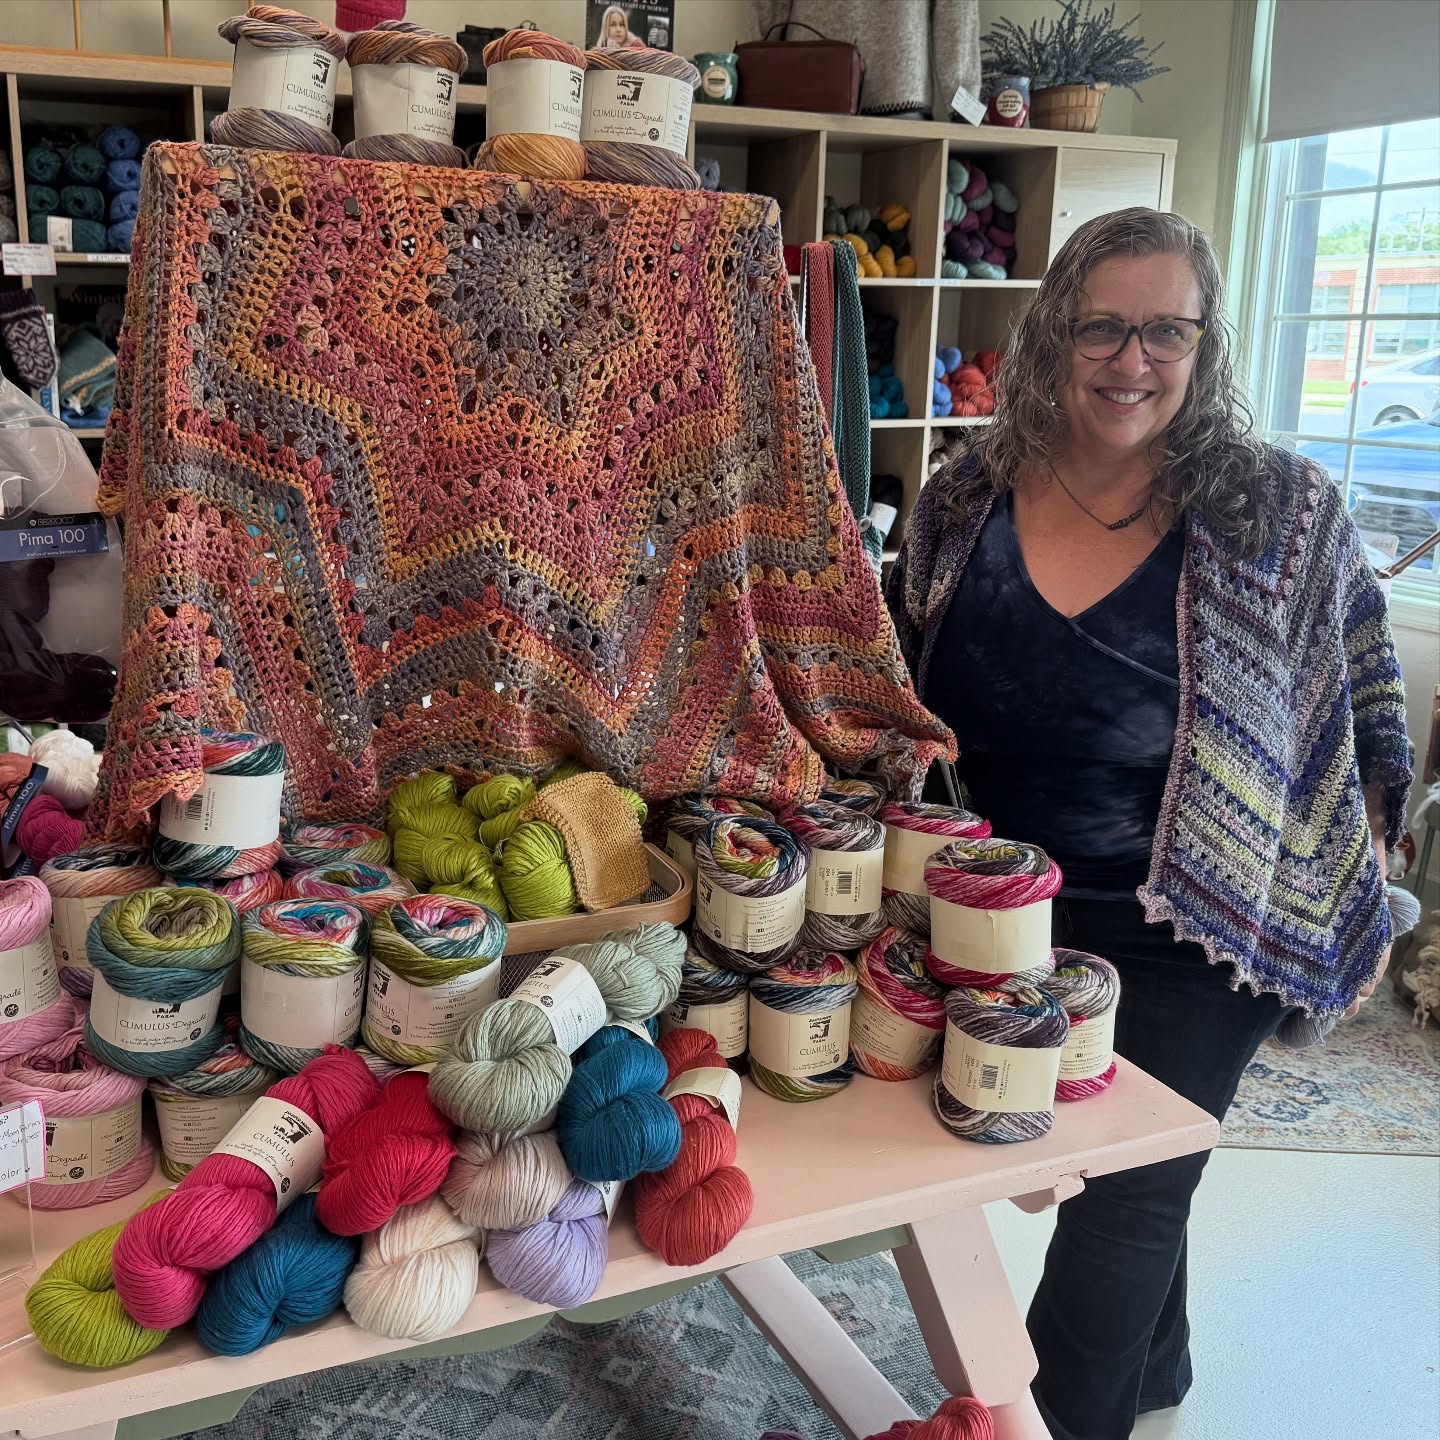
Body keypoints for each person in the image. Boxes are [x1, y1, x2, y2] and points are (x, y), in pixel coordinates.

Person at [887, 207, 1413, 1439]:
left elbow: (1358, 672)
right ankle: (1160, 1366)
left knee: (1125, 1187)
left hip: (1204, 918)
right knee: (1071, 1164)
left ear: (1205, 343)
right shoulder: (965, 496)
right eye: (1103, 328)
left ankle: (1067, 1423)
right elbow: (892, 672)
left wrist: (1361, 832)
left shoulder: (1278, 508)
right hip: (1001, 909)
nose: (1133, 361)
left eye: (1167, 331)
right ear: (1053, 334)